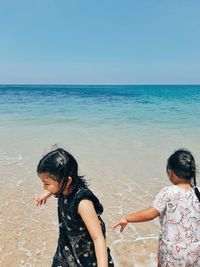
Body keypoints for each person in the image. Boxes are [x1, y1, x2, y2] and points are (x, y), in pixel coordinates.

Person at [112, 149, 200, 267]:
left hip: (172, 252)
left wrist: (127, 219)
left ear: (170, 173)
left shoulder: (168, 192)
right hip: (195, 251)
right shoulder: (198, 192)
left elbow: (152, 213)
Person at [35, 147, 114, 267]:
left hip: (86, 255)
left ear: (67, 181)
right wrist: (48, 192)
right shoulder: (63, 188)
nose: (44, 187)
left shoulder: (83, 203)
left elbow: (98, 239)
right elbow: (57, 186)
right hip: (67, 246)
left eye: (47, 184)